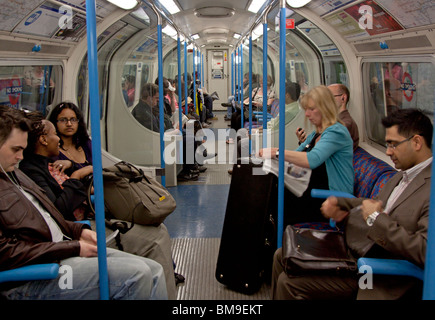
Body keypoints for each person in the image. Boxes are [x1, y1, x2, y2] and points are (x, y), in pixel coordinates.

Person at [0, 106, 167, 300]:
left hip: (61, 248)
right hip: (37, 273)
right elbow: (6, 252)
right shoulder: (26, 172)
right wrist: (74, 247)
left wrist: (79, 231)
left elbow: (51, 216)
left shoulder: (15, 175)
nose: (20, 156)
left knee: (154, 269)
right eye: (15, 150)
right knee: (137, 275)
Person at [271, 108, 432, 300]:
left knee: (289, 284)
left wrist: (376, 218)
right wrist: (342, 203)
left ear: (416, 142)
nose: (388, 152)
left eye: (393, 145)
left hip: (380, 273)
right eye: (387, 144)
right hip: (361, 250)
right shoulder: (403, 174)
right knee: (281, 256)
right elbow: (375, 204)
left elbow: (424, 251)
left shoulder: (429, 188)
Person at [47, 102, 178, 298]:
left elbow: (99, 167)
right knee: (153, 236)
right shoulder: (54, 155)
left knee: (154, 219)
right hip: (88, 207)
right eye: (63, 120)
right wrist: (80, 173)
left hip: (104, 198)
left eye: (73, 119)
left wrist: (86, 170)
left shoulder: (86, 144)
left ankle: (166, 275)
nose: (68, 124)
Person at [259, 85, 354, 226]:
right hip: (312, 187)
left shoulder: (337, 132)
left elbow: (312, 160)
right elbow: (297, 154)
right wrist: (275, 157)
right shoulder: (317, 133)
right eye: (306, 110)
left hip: (330, 198)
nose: (307, 114)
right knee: (269, 190)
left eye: (312, 109)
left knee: (275, 199)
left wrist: (277, 152)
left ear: (325, 108)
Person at [297, 84, 359, 152]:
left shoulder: (344, 125)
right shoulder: (328, 123)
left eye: (329, 97)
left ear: (343, 98)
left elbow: (317, 155)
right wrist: (305, 143)